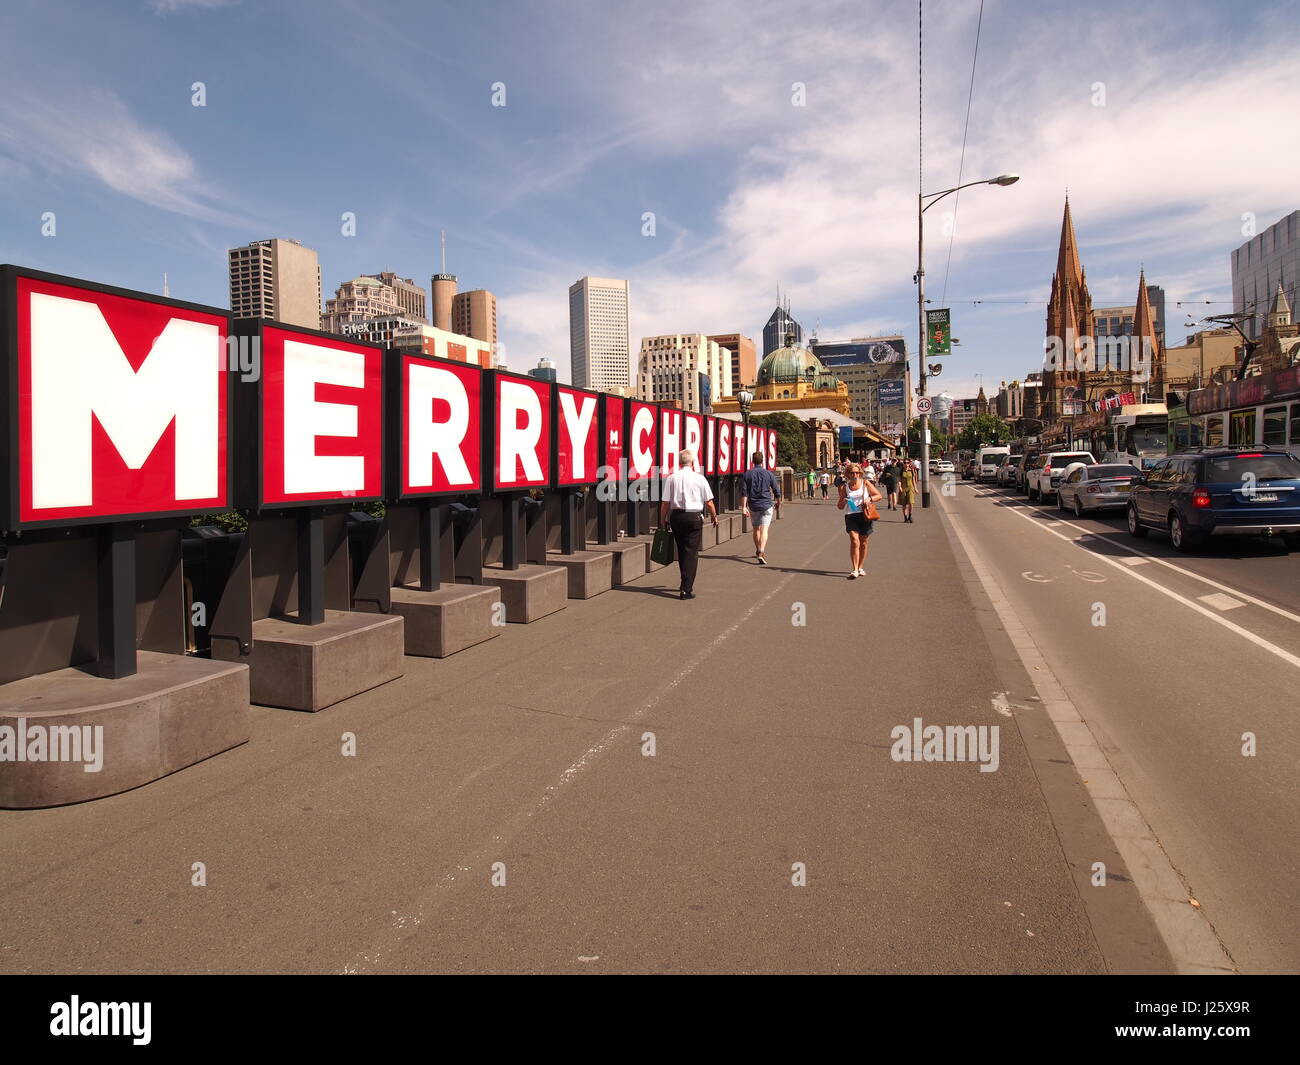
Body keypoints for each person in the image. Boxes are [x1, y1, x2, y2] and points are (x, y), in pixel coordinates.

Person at [658, 449, 719, 599]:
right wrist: (714, 516)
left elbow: (665, 503)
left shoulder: (672, 478)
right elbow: (709, 502)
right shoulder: (699, 479)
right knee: (691, 552)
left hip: (677, 517)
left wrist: (662, 521)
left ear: (679, 462)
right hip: (693, 517)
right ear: (692, 462)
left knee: (681, 550)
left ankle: (684, 581)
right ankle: (686, 588)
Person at [836, 463, 884, 579]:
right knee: (854, 541)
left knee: (863, 542)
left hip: (865, 515)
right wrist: (845, 501)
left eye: (857, 472)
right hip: (851, 516)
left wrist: (870, 498)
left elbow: (879, 496)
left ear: (860, 473)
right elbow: (839, 506)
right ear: (848, 474)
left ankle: (860, 567)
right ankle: (855, 569)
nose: (855, 475)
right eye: (852, 472)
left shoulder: (865, 483)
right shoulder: (845, 487)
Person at [741, 450, 781, 565]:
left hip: (753, 505)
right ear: (762, 460)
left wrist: (744, 507)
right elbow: (776, 490)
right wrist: (778, 502)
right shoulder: (768, 474)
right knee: (764, 530)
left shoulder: (747, 474)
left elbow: (744, 492)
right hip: (766, 504)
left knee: (756, 529)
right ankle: (761, 551)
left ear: (752, 461)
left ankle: (758, 549)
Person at [898, 458, 918, 523]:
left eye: (907, 463)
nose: (906, 464)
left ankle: (910, 516)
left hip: (910, 488)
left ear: (909, 463)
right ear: (903, 464)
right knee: (904, 505)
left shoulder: (911, 471)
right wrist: (900, 487)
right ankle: (905, 517)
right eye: (905, 463)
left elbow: (913, 480)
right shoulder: (901, 471)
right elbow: (899, 480)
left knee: (911, 503)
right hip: (903, 489)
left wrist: (915, 488)